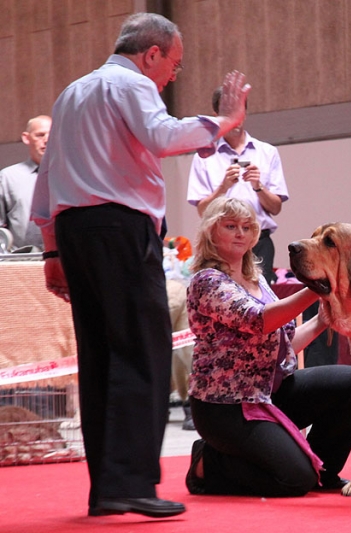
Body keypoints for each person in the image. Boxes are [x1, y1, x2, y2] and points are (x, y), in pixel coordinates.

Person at [30, 13, 250, 519]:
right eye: (173, 64)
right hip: (119, 229)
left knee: (101, 356)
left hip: (76, 234)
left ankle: (107, 487)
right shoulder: (130, 84)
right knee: (142, 353)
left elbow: (50, 176)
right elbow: (161, 136)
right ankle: (130, 483)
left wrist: (52, 250)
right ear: (151, 53)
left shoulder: (71, 93)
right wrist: (225, 122)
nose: (173, 75)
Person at [184, 197, 351, 497]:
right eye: (230, 226)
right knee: (294, 481)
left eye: (246, 227)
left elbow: (284, 343)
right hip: (226, 409)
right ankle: (208, 462)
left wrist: (319, 323)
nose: (240, 233)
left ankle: (324, 472)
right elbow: (258, 321)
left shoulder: (258, 280)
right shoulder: (207, 282)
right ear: (211, 233)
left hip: (269, 392)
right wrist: (318, 287)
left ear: (255, 234)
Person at [187, 86, 289, 284]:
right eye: (228, 113)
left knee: (259, 301)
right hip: (220, 244)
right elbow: (203, 211)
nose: (236, 118)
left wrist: (258, 186)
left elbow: (276, 207)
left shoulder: (267, 152)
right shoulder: (205, 156)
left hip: (258, 241)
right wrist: (223, 187)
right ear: (216, 116)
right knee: (223, 299)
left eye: (239, 111)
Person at [0, 115, 51, 252]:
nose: (46, 140)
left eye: (51, 135)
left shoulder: (68, 176)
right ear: (26, 138)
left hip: (64, 260)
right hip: (19, 261)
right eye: (40, 135)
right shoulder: (8, 178)